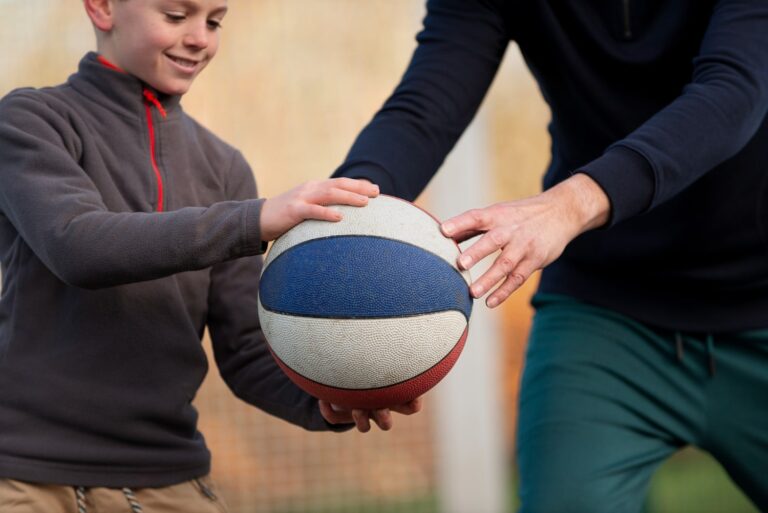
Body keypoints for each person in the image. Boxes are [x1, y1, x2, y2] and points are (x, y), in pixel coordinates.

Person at [332, 1, 768, 511]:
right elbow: (424, 109)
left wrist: (569, 204)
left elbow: (733, 93)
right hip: (606, 314)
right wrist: (342, 253)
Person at [0, 0, 420, 511]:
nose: (200, 38)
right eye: (176, 16)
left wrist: (326, 397)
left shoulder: (224, 168)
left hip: (169, 480)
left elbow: (245, 350)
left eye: (214, 21)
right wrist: (253, 220)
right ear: (104, 8)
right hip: (25, 478)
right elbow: (78, 245)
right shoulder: (30, 121)